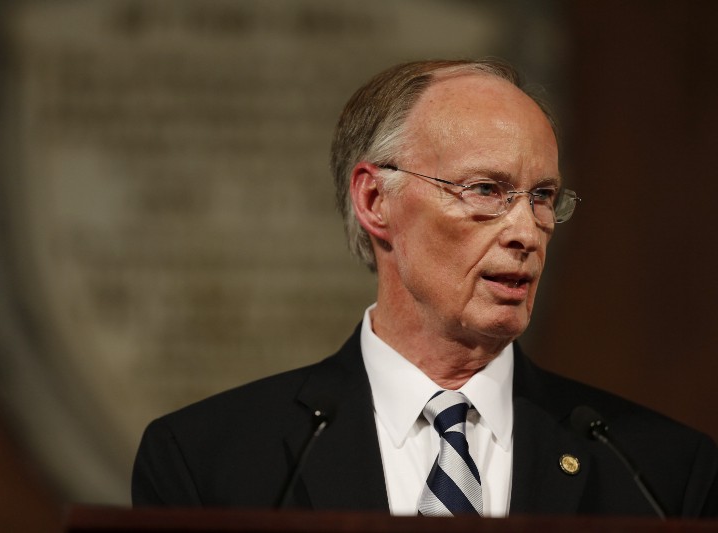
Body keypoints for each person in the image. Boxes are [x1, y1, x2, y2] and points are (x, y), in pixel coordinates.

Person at [131, 59, 717, 517]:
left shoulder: (659, 472)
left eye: (542, 197)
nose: (527, 232)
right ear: (374, 200)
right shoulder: (207, 461)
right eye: (486, 190)